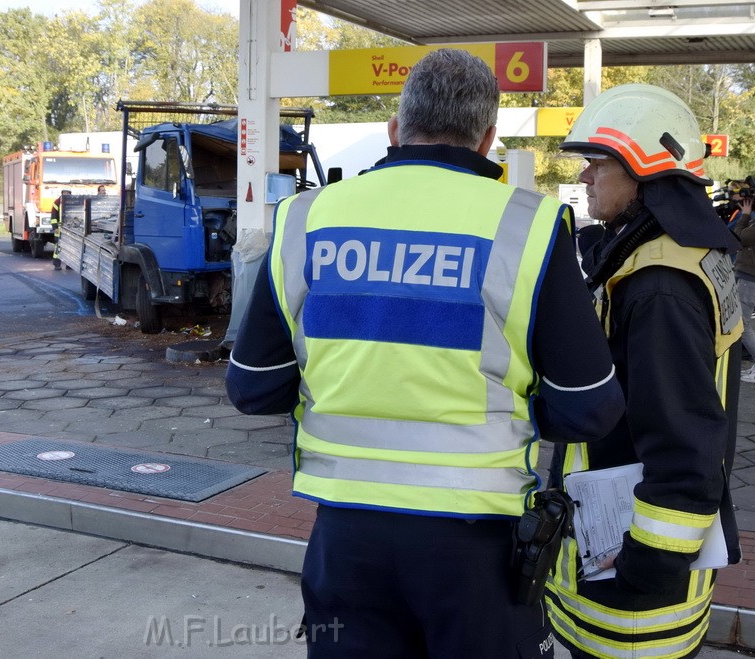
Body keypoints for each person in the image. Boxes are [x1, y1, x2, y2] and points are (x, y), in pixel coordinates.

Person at [225, 48, 625, 658]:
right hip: (477, 550)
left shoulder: (306, 219)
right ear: (488, 138)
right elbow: (591, 407)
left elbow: (253, 387)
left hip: (345, 538)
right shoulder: (529, 225)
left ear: (395, 127)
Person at [545, 84, 743, 659]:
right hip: (638, 576)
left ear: (642, 168)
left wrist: (643, 567)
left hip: (632, 603)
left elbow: (684, 450)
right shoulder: (680, 253)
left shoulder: (659, 288)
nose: (584, 176)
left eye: (596, 162)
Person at [728, 184, 755, 381]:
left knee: (744, 324)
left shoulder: (750, 221)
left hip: (750, 278)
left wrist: (744, 214)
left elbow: (739, 237)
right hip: (745, 274)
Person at [50, 189, 73, 270]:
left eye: (68, 194)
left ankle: (69, 264)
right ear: (62, 194)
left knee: (70, 247)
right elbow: (53, 216)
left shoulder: (73, 202)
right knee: (58, 246)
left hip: (70, 229)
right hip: (59, 229)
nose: (66, 196)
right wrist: (55, 227)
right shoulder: (57, 202)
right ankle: (57, 264)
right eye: (65, 194)